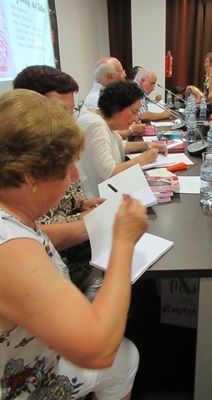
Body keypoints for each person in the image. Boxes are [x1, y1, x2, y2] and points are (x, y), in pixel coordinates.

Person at [0, 89, 148, 399]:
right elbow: (98, 350)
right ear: (30, 176)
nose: (75, 175)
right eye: (67, 167)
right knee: (123, 357)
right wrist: (122, 242)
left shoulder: (11, 214)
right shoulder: (8, 250)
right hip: (18, 383)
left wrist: (91, 226)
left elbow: (37, 235)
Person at [13, 65, 104, 300]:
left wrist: (82, 203)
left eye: (71, 111)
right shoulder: (20, 160)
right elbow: (30, 233)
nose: (68, 121)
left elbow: (67, 197)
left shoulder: (57, 144)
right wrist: (91, 224)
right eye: (60, 112)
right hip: (59, 270)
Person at [77, 80, 167, 198]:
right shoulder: (96, 125)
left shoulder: (102, 118)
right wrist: (144, 159)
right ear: (116, 108)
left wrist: (147, 145)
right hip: (98, 199)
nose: (136, 119)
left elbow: (120, 145)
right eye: (133, 112)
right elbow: (109, 172)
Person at [84, 57, 145, 139]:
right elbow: (112, 132)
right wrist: (132, 129)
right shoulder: (96, 99)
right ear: (111, 77)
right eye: (121, 72)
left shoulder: (107, 94)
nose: (125, 75)